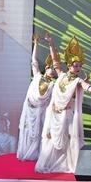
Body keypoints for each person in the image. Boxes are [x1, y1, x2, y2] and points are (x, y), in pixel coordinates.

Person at [36, 36, 91, 173]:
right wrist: (51, 43)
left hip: (66, 115)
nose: (78, 68)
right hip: (53, 113)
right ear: (69, 65)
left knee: (67, 140)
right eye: (76, 65)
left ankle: (70, 163)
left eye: (80, 66)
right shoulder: (61, 74)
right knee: (51, 139)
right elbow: (55, 60)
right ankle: (50, 162)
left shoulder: (78, 81)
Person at [17, 33, 59, 161]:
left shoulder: (53, 84)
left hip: (42, 112)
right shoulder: (37, 76)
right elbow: (34, 61)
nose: (53, 71)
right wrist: (36, 44)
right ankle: (25, 152)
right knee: (28, 131)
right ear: (46, 68)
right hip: (30, 109)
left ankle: (37, 154)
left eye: (54, 69)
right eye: (51, 68)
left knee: (39, 133)